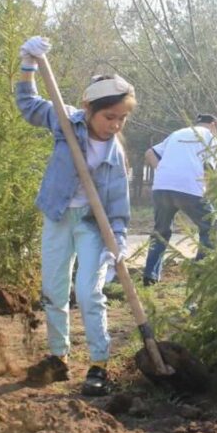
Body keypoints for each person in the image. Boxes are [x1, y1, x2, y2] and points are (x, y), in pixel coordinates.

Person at [15, 36, 134, 397]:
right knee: (53, 291)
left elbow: (118, 207)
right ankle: (58, 357)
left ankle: (98, 364)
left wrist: (119, 243)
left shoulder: (116, 157)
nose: (114, 125)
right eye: (109, 116)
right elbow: (27, 104)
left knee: (88, 291)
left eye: (122, 118)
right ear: (89, 108)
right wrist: (27, 64)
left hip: (90, 225)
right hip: (57, 215)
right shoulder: (66, 121)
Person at [141, 114, 217, 286]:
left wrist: (163, 169)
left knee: (160, 231)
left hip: (162, 186)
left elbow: (150, 153)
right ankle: (201, 275)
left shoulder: (177, 133)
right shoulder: (210, 136)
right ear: (213, 125)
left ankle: (150, 276)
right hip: (189, 187)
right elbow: (208, 170)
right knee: (211, 226)